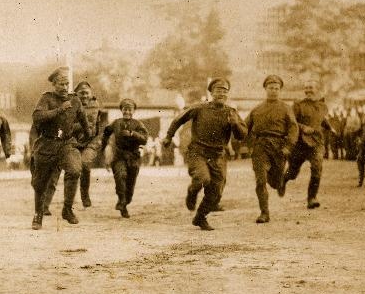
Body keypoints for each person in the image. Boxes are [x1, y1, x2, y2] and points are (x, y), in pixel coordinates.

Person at [162, 78, 247, 230]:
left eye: (225, 91)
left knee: (216, 192)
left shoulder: (231, 112)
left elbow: (243, 135)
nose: (221, 93)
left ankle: (200, 217)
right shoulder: (200, 108)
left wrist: (235, 125)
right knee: (202, 178)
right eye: (218, 90)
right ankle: (192, 191)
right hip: (198, 153)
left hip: (218, 156)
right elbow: (178, 119)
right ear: (211, 92)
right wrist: (169, 136)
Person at [30, 67, 92, 230]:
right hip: (47, 144)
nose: (64, 88)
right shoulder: (46, 98)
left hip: (66, 143)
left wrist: (86, 134)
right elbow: (37, 117)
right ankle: (38, 214)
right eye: (61, 84)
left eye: (67, 84)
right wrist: (59, 110)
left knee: (74, 170)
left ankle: (67, 209)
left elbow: (84, 121)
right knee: (40, 183)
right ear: (54, 85)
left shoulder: (75, 100)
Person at [245, 74, 299, 223]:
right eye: (270, 88)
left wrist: (288, 146)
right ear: (265, 89)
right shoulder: (257, 109)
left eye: (276, 88)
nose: (273, 91)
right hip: (261, 147)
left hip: (279, 148)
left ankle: (280, 182)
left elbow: (293, 129)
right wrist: (249, 145)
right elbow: (244, 128)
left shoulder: (286, 108)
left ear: (280, 90)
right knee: (260, 180)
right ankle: (264, 213)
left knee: (275, 182)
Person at [281, 79, 336, 208]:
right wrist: (303, 127)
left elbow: (321, 119)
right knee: (293, 173)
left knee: (317, 168)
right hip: (300, 143)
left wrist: (330, 128)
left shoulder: (322, 106)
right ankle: (283, 180)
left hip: (316, 141)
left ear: (317, 89)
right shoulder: (298, 105)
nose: (308, 90)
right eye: (306, 88)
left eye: (311, 87)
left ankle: (312, 198)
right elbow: (292, 122)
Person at [101, 98, 149, 218]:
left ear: (133, 111)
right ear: (121, 110)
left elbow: (145, 139)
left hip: (134, 157)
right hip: (119, 156)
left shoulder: (138, 124)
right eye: (125, 109)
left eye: (130, 109)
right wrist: (104, 146)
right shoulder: (116, 123)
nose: (127, 112)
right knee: (120, 176)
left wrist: (133, 134)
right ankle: (122, 201)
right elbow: (106, 132)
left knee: (130, 185)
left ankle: (125, 202)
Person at [74, 81, 107, 208]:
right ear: (76, 94)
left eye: (86, 93)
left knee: (85, 164)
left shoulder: (96, 105)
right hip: (74, 141)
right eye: (81, 93)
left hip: (91, 142)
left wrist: (100, 137)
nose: (84, 96)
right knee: (72, 170)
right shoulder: (71, 105)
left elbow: (102, 122)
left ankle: (84, 195)